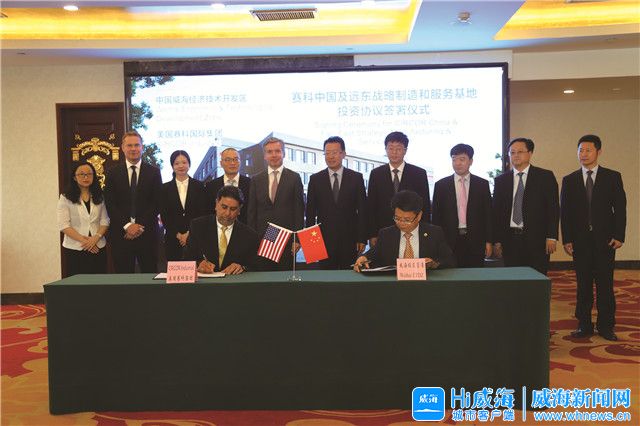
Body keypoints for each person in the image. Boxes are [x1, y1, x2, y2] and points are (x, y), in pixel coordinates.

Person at [561, 135, 626, 341]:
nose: (583, 154)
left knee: (605, 284)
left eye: (588, 150)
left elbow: (620, 209)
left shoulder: (612, 177)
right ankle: (584, 324)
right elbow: (565, 213)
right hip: (580, 241)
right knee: (583, 284)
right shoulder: (569, 180)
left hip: (605, 240)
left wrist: (619, 235)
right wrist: (567, 239)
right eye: (580, 150)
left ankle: (606, 326)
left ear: (599, 152)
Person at [492, 137, 559, 275]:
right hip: (510, 239)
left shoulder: (545, 177)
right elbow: (496, 213)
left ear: (530, 153)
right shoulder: (501, 180)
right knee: (513, 278)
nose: (516, 155)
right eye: (512, 152)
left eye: (520, 152)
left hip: (537, 239)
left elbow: (553, 209)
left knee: (537, 278)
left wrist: (552, 237)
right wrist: (497, 240)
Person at [104, 130, 163, 273]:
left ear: (142, 147)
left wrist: (138, 226)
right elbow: (110, 203)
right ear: (123, 148)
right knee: (123, 278)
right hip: (121, 234)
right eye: (129, 145)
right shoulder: (112, 173)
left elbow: (157, 202)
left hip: (147, 233)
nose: (133, 149)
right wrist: (127, 226)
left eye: (137, 145)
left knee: (150, 275)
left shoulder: (154, 172)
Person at [305, 136, 367, 269]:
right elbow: (310, 212)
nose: (330, 157)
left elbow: (363, 210)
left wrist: (362, 238)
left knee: (349, 276)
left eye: (334, 152)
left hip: (350, 239)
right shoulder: (315, 179)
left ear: (343, 154)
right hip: (323, 240)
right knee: (326, 277)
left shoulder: (356, 178)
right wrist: (310, 243)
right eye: (327, 153)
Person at [354, 190, 453, 272]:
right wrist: (363, 257)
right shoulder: (386, 234)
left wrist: (434, 263)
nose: (401, 223)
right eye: (397, 218)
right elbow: (372, 254)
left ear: (419, 216)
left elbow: (449, 260)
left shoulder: (434, 233)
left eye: (407, 220)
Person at [247, 136, 304, 271]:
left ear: (283, 153)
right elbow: (251, 212)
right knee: (264, 278)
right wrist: (252, 239)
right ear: (264, 156)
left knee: (285, 279)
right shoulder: (256, 180)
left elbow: (299, 210)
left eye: (277, 151)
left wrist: (297, 239)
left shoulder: (294, 178)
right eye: (269, 152)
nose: (274, 155)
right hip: (262, 240)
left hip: (287, 240)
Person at [432, 143, 492, 267]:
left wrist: (489, 241)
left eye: (462, 159)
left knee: (474, 276)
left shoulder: (482, 184)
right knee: (450, 275)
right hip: (448, 241)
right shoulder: (441, 185)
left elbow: (488, 215)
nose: (457, 163)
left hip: (476, 240)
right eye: (454, 159)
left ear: (471, 161)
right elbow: (436, 217)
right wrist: (436, 243)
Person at [367, 131, 430, 247]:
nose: (394, 152)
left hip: (412, 231)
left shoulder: (419, 173)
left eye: (398, 149)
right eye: (390, 148)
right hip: (383, 231)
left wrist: (425, 233)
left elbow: (425, 205)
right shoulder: (376, 174)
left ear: (405, 150)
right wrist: (372, 234)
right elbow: (371, 206)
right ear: (386, 150)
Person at [186, 185, 260, 275]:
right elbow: (187, 258)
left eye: (233, 209)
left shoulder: (249, 235)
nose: (227, 213)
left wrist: (242, 267)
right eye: (224, 207)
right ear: (216, 204)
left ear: (239, 209)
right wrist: (199, 264)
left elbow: (255, 265)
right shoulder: (198, 226)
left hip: (233, 283)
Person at [57, 162, 110, 276]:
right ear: (74, 177)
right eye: (81, 174)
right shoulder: (65, 197)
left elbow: (105, 220)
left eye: (89, 174)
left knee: (99, 282)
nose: (86, 177)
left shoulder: (100, 196)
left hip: (98, 246)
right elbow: (63, 225)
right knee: (77, 283)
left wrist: (95, 238)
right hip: (75, 248)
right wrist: (86, 241)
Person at [160, 150, 208, 261]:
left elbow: (202, 212)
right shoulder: (164, 188)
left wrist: (189, 234)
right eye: (177, 163)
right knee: (175, 269)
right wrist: (177, 234)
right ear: (172, 166)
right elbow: (164, 214)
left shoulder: (200, 186)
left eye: (184, 162)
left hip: (195, 238)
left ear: (189, 164)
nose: (181, 166)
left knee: (195, 270)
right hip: (172, 239)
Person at [205, 147, 251, 224]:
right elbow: (208, 212)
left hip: (245, 228)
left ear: (240, 162)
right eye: (228, 160)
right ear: (221, 163)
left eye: (235, 159)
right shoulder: (211, 186)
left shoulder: (251, 183)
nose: (232, 163)